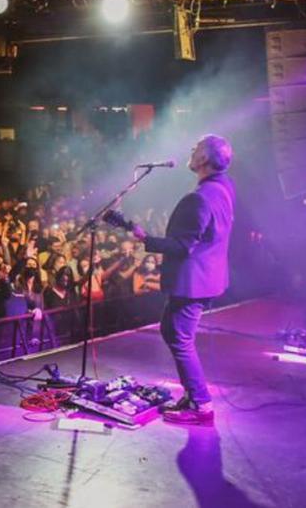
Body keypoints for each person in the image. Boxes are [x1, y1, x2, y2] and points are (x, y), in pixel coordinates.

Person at [125, 135, 235, 426]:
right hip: (208, 277)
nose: (190, 150)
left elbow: (181, 246)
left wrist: (145, 239)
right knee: (171, 330)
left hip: (193, 281)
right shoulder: (224, 188)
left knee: (181, 338)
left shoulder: (199, 197)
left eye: (196, 148)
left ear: (204, 159)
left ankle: (200, 404)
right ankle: (193, 395)